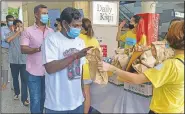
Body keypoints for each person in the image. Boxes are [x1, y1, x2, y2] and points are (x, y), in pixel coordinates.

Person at [98, 21, 184, 113]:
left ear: (172, 39)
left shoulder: (170, 64)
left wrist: (111, 68)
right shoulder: (177, 62)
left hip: (163, 110)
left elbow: (137, 79)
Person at [42, 7, 93, 113]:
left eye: (80, 26)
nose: (78, 29)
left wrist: (82, 89)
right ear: (65, 24)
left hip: (77, 101)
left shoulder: (80, 42)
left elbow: (81, 68)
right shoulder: (51, 40)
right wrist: (75, 56)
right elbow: (50, 68)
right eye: (75, 26)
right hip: (57, 104)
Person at [20, 4, 53, 113]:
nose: (46, 16)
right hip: (33, 72)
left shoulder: (51, 32)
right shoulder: (28, 31)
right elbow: (23, 49)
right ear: (36, 15)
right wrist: (38, 49)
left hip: (48, 72)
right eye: (43, 13)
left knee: (44, 99)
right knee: (35, 99)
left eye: (47, 13)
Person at [5, 19, 29, 106]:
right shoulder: (10, 34)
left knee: (24, 80)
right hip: (14, 61)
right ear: (14, 26)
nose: (20, 28)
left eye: (21, 26)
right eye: (18, 26)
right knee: (15, 78)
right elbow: (7, 40)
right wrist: (16, 34)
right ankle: (16, 93)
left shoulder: (25, 35)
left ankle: (25, 98)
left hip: (24, 61)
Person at [79, 18, 100, 113]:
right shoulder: (94, 39)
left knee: (84, 94)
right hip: (92, 71)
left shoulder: (78, 38)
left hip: (82, 71)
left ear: (82, 28)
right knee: (87, 94)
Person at [1, 15, 14, 89]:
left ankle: (13, 85)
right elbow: (4, 39)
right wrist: (12, 36)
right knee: (5, 67)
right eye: (9, 20)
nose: (11, 22)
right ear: (6, 21)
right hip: (5, 49)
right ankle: (4, 83)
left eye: (12, 20)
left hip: (13, 50)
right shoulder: (2, 29)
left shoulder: (15, 29)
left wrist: (12, 32)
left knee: (13, 67)